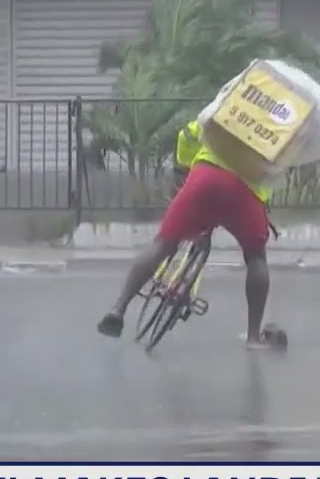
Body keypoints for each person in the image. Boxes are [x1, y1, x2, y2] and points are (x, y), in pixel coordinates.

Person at [97, 119, 283, 347]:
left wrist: (184, 169)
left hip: (207, 176)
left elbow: (188, 133)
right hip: (247, 191)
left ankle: (118, 309)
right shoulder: (277, 130)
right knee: (255, 259)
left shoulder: (229, 109)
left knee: (163, 244)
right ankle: (253, 337)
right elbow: (275, 171)